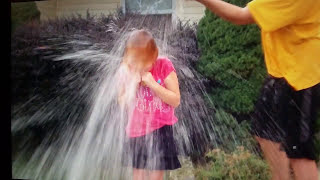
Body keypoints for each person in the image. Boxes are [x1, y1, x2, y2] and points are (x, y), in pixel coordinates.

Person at [193, 0, 320, 179]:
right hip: (281, 73)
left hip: (300, 78)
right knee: (266, 134)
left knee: (299, 150)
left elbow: (239, 16)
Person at [118, 29, 181, 180]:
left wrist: (153, 85)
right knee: (138, 175)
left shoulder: (164, 65)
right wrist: (132, 85)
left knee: (156, 176)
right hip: (136, 129)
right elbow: (122, 103)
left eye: (143, 63)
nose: (138, 67)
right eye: (135, 62)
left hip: (161, 128)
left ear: (154, 55)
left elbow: (176, 100)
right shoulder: (125, 70)